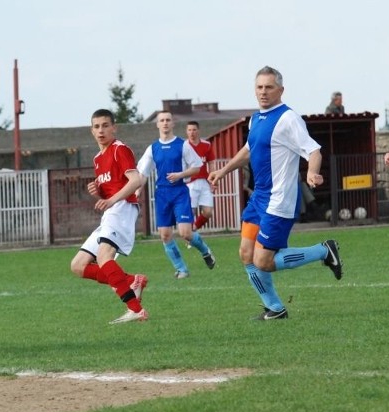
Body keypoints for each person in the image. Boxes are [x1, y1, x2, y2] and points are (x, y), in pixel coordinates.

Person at [208, 66, 344, 321]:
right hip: (259, 198)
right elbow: (248, 150)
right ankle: (275, 308)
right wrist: (223, 170)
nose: (263, 92)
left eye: (269, 87)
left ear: (280, 90)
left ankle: (324, 251)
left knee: (263, 261)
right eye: (259, 87)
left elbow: (314, 151)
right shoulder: (256, 118)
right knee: (246, 254)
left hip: (279, 200)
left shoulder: (288, 119)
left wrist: (311, 173)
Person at [69, 108, 148, 324]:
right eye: (96, 126)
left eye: (105, 125)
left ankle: (136, 309)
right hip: (111, 212)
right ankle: (132, 281)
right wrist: (99, 191)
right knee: (78, 266)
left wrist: (112, 200)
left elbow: (135, 181)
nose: (101, 130)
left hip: (122, 209)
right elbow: (110, 188)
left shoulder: (119, 149)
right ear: (91, 131)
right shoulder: (97, 158)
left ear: (114, 127)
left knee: (104, 258)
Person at [137, 111, 216, 280]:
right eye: (162, 120)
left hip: (180, 191)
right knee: (165, 235)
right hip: (162, 194)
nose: (165, 123)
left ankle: (205, 251)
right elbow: (143, 174)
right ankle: (182, 269)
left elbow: (197, 167)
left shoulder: (183, 145)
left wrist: (180, 175)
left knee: (185, 233)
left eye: (168, 120)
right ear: (157, 124)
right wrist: (136, 191)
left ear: (173, 124)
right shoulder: (152, 148)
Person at [185, 120, 216, 231]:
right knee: (190, 211)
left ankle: (194, 228)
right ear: (186, 132)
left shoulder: (206, 145)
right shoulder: (184, 146)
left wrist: (213, 180)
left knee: (208, 212)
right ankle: (189, 236)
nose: (192, 132)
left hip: (204, 181)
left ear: (198, 131)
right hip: (190, 183)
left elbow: (211, 163)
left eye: (194, 130)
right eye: (189, 130)